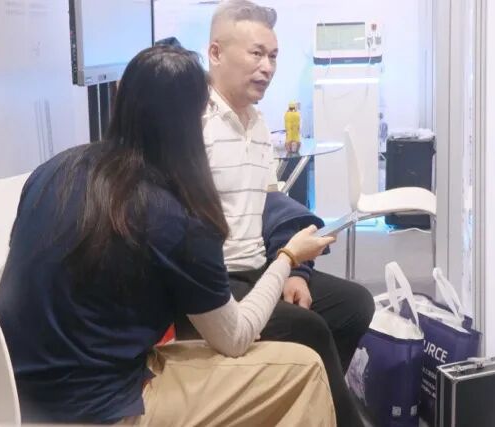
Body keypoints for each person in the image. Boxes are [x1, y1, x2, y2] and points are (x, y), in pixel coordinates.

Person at [0, 45, 337, 425]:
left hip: (14, 395)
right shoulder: (176, 215)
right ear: (195, 119)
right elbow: (236, 338)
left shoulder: (52, 170)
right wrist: (288, 258)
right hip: (102, 409)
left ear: (122, 98)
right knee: (304, 367)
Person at [200, 1, 375, 425]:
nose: (268, 67)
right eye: (256, 54)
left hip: (259, 267)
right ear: (216, 53)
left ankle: (304, 405)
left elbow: (271, 205)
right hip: (215, 282)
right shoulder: (193, 125)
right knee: (308, 329)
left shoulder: (258, 125)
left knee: (355, 304)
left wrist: (295, 271)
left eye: (273, 56)